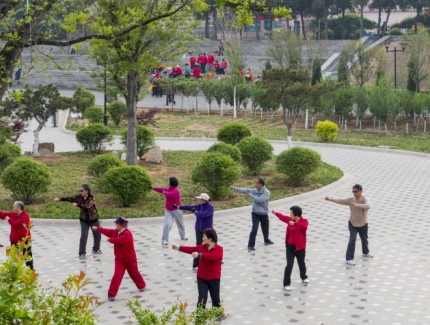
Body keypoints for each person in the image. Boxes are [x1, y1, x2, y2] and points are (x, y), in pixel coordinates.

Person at [92, 217, 146, 301]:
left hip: (130, 260)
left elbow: (118, 240)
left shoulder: (128, 234)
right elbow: (109, 232)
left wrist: (110, 239)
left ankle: (141, 286)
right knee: (117, 275)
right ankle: (111, 294)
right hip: (119, 260)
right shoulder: (116, 231)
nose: (116, 225)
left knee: (134, 273)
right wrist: (98, 229)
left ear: (121, 225)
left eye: (117, 224)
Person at [172, 228, 223, 309]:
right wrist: (178, 248)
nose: (202, 238)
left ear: (210, 238)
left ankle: (218, 315)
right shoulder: (202, 247)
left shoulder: (219, 249)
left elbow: (213, 257)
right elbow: (191, 249)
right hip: (201, 278)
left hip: (214, 279)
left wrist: (199, 255)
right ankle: (199, 317)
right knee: (202, 299)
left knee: (216, 300)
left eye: (204, 236)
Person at [325, 184, 372, 266]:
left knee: (364, 239)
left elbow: (368, 206)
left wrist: (357, 205)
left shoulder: (365, 199)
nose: (354, 193)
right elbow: (341, 200)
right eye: (353, 191)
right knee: (352, 239)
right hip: (352, 223)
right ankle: (349, 259)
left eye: (356, 191)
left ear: (361, 191)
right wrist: (330, 199)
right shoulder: (351, 200)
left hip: (363, 223)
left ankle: (365, 252)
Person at [55, 184, 102, 259]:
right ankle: (82, 253)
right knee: (84, 235)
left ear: (86, 191)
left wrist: (78, 205)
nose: (80, 192)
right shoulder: (79, 197)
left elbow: (88, 206)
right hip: (84, 220)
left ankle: (96, 249)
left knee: (97, 235)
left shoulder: (92, 197)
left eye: (82, 191)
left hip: (94, 219)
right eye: (80, 191)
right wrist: (60, 199)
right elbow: (70, 198)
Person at [271, 206, 309, 291]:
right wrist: (275, 213)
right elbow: (283, 217)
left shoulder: (304, 221)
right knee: (289, 264)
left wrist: (295, 224)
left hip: (300, 248)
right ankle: (286, 284)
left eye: (291, 213)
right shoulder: (290, 220)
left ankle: (304, 277)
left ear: (296, 215)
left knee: (301, 263)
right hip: (290, 247)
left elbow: (304, 227)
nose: (290, 214)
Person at [231, 179, 274, 250]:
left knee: (265, 228)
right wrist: (235, 189)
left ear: (261, 184)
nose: (255, 184)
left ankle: (266, 240)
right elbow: (246, 190)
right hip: (255, 213)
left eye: (256, 183)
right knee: (254, 228)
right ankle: (251, 245)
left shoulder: (267, 192)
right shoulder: (255, 190)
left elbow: (260, 200)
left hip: (264, 213)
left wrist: (252, 196)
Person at [174, 193, 214, 270]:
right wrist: (179, 207)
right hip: (198, 229)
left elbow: (203, 214)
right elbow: (189, 207)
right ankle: (196, 264)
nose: (197, 200)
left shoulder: (210, 207)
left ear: (203, 200)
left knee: (210, 245)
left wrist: (195, 212)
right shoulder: (199, 206)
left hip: (207, 230)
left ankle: (213, 260)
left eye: (199, 199)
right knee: (198, 246)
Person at [151, 177, 187, 246]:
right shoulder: (169, 189)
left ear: (172, 183)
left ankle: (183, 236)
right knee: (167, 225)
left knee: (180, 223)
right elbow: (161, 189)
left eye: (169, 181)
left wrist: (164, 192)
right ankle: (164, 240)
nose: (168, 182)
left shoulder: (176, 190)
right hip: (168, 210)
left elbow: (170, 194)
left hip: (177, 210)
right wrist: (153, 188)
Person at [0, 201, 33, 269]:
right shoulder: (13, 214)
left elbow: (17, 225)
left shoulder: (25, 216)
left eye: (14, 207)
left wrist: (9, 220)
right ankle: (15, 272)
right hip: (14, 240)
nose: (13, 209)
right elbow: (2, 214)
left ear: (19, 208)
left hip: (24, 240)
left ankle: (29, 272)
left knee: (27, 257)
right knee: (14, 257)